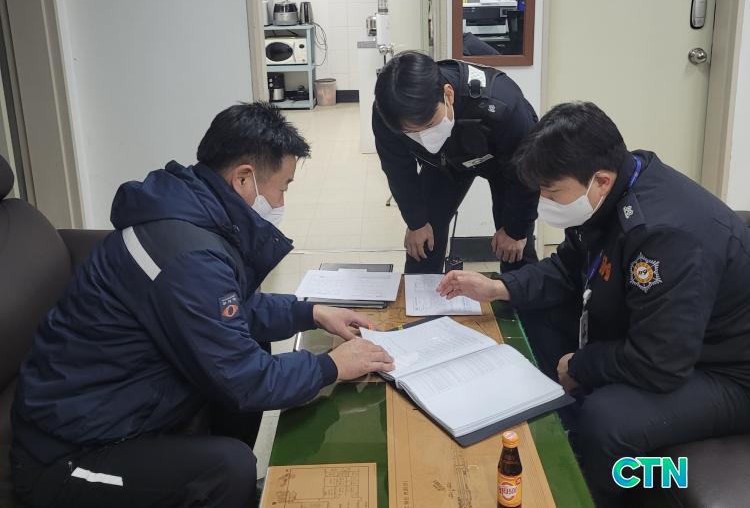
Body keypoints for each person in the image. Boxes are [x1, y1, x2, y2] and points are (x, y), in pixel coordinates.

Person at [10, 102, 394, 508]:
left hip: (123, 401)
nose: (282, 200)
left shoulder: (189, 211)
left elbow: (227, 309)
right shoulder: (187, 254)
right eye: (282, 187)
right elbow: (245, 378)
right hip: (68, 453)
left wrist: (310, 312)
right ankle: (217, 490)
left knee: (252, 343)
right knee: (229, 468)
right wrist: (332, 366)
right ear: (243, 178)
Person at [437, 101, 750, 506]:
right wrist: (499, 287)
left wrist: (580, 366)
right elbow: (568, 268)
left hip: (726, 371)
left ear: (600, 180)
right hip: (664, 338)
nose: (544, 202)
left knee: (607, 421)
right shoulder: (613, 189)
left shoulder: (665, 236)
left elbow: (661, 361)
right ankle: (560, 423)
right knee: (532, 311)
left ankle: (613, 491)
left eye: (551, 193)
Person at [373, 51, 540, 274]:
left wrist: (516, 230)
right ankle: (420, 295)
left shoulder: (504, 105)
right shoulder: (388, 115)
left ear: (448, 94)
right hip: (442, 165)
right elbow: (398, 170)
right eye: (412, 132)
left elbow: (528, 173)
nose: (423, 137)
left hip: (504, 166)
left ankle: (521, 293)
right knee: (422, 240)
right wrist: (416, 222)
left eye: (429, 125)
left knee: (515, 245)